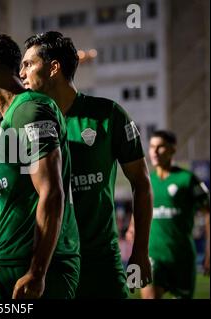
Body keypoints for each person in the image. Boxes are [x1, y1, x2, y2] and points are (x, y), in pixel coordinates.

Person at [19, 31, 153, 298]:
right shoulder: (24, 122)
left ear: (54, 67)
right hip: (47, 265)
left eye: (28, 64)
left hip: (101, 262)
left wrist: (139, 251)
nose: (21, 73)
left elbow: (141, 183)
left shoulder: (108, 115)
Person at [0, 30, 80, 299]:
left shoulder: (31, 109)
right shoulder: (11, 119)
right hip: (8, 264)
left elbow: (52, 192)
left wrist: (38, 271)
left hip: (40, 267)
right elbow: (5, 184)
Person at [137, 130, 209, 299]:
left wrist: (209, 249)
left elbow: (208, 212)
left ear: (172, 150)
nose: (154, 152)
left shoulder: (188, 179)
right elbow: (139, 210)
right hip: (152, 255)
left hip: (181, 257)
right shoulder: (146, 181)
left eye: (160, 147)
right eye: (152, 147)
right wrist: (133, 228)